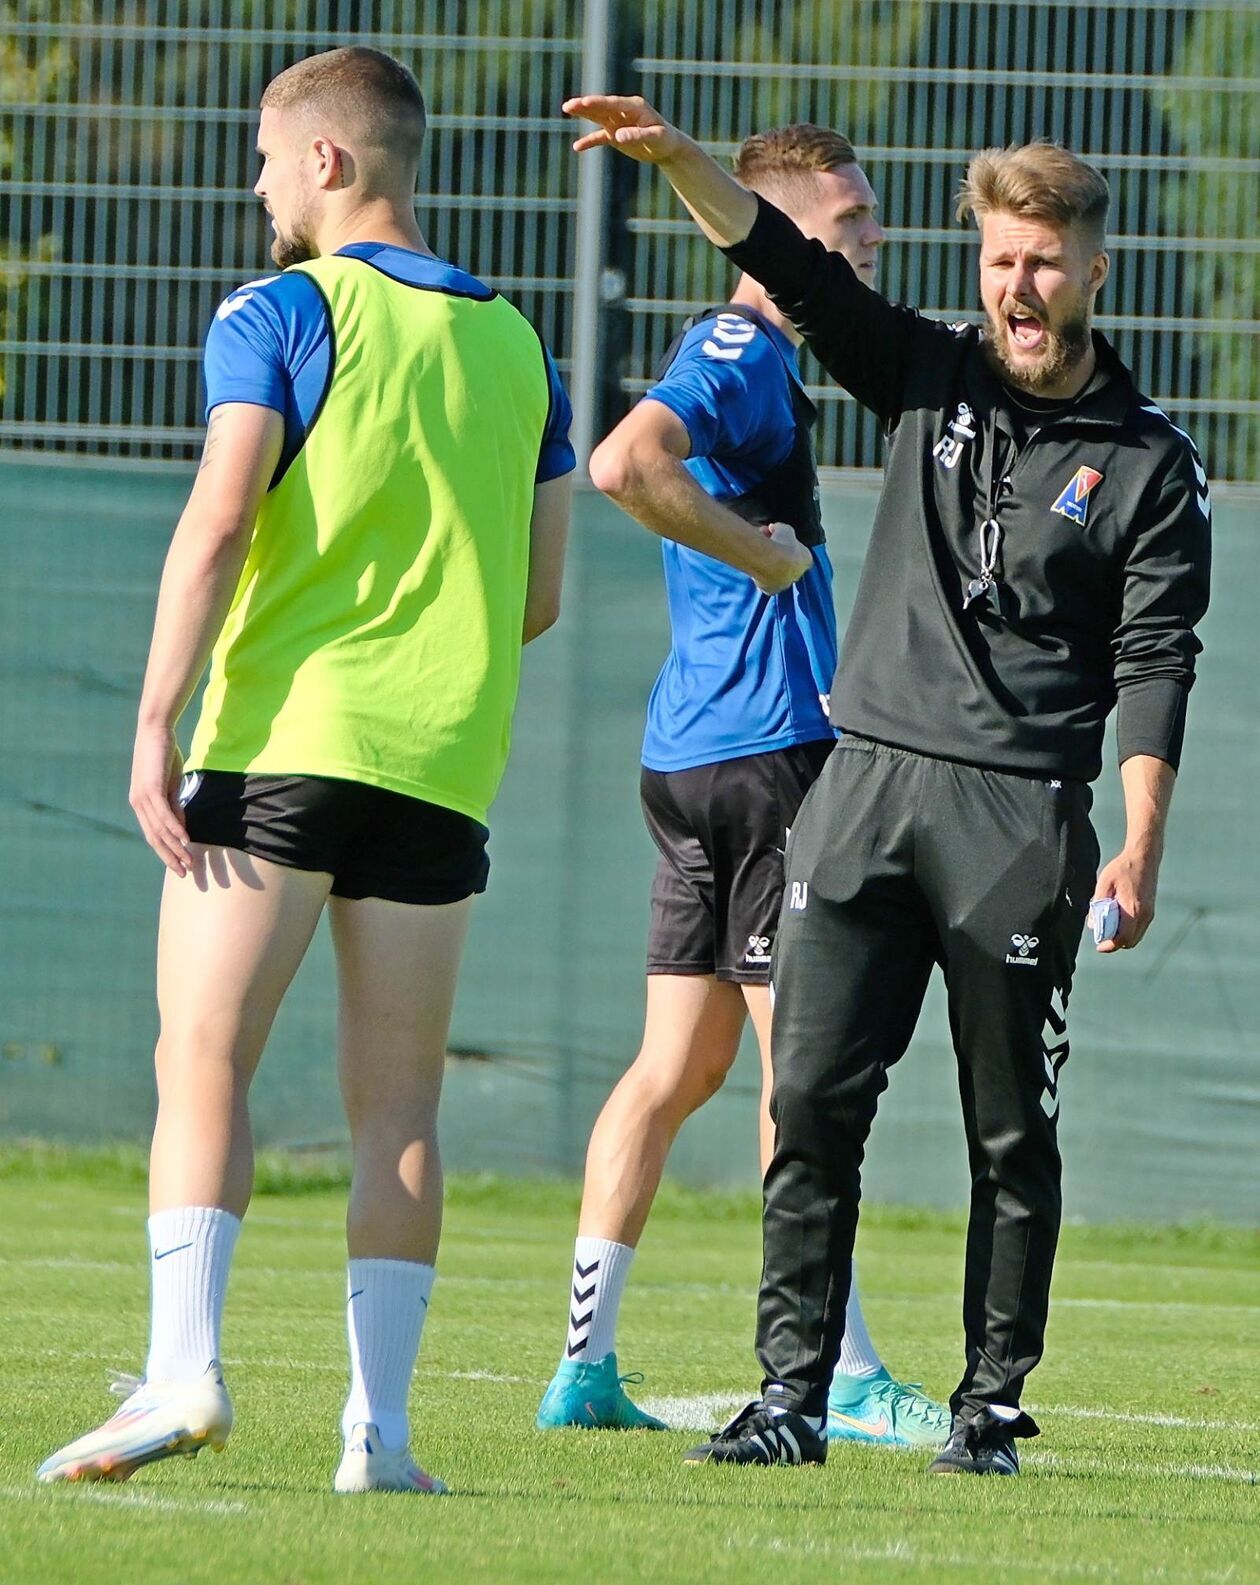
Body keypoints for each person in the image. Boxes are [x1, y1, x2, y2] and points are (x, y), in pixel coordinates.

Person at [562, 95, 1210, 1476]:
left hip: (1018, 814)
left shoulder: (1151, 461)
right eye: (998, 259)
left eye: (1043, 261)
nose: (1017, 287)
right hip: (861, 791)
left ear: (1094, 271)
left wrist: (1139, 839)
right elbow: (789, 264)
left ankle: (990, 1404)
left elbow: (1159, 661)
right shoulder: (921, 368)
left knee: (1007, 1129)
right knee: (810, 1103)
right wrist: (676, 156)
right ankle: (791, 1393)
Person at [37, 46, 574, 1496]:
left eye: (269, 157)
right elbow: (538, 597)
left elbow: (218, 520)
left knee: (202, 1055)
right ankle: (380, 1439)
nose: (258, 184)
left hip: (280, 746)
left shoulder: (278, 308)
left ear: (330, 162)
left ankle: (183, 1373)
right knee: (399, 1104)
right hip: (443, 763)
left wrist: (152, 724)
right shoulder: (523, 343)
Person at [536, 124, 948, 1450]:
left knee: (678, 1063)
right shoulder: (739, 350)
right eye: (853, 217)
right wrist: (759, 556)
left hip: (695, 756)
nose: (873, 237)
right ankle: (845, 1366)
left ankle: (583, 1368)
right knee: (803, 1070)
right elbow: (620, 465)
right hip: (768, 758)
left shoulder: (773, 363)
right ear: (775, 231)